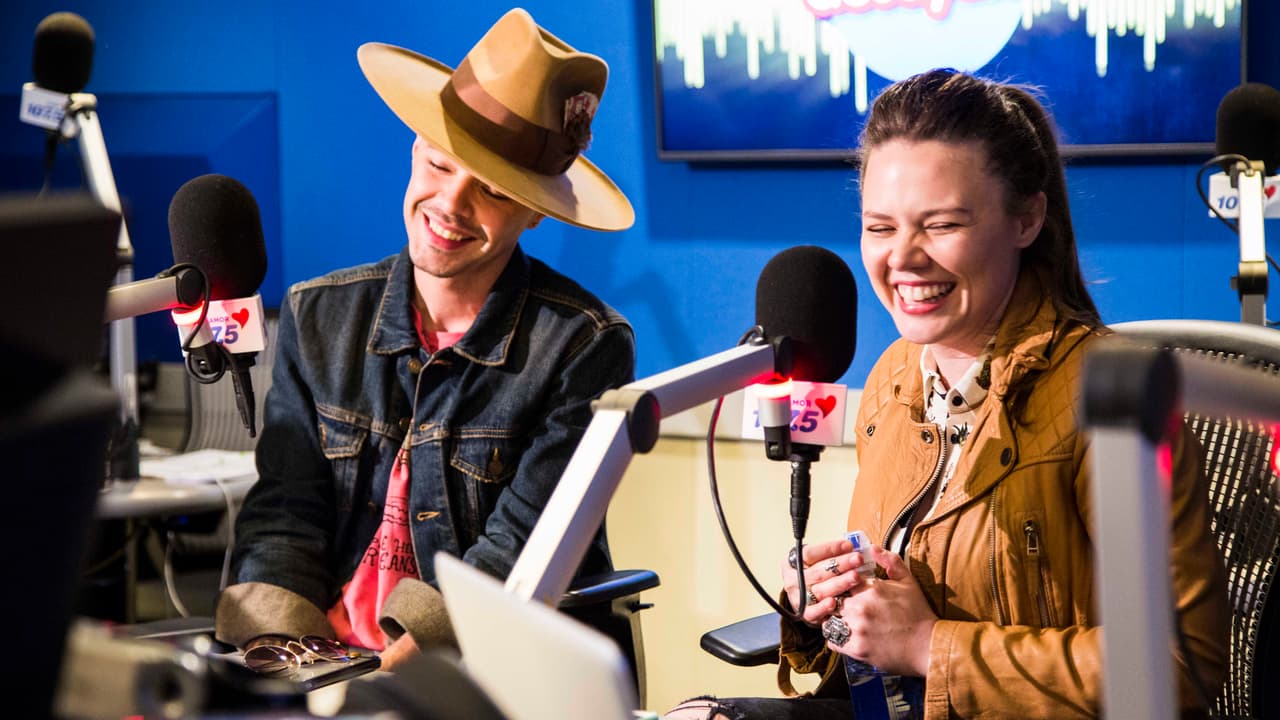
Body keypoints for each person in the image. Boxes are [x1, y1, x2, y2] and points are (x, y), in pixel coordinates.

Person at [668, 69, 1229, 719]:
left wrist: (934, 646)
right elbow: (884, 643)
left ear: (1026, 218)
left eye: (939, 224)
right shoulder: (894, 377)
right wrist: (824, 609)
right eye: (880, 228)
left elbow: (1180, 666)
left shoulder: (1106, 402)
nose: (902, 258)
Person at [213, 8, 636, 673]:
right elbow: (284, 515)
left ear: (535, 211)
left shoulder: (583, 344)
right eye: (439, 165)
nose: (450, 205)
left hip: (475, 675)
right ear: (415, 149)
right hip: (322, 666)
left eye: (491, 191)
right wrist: (285, 666)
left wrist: (380, 687)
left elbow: (516, 551)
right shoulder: (316, 315)